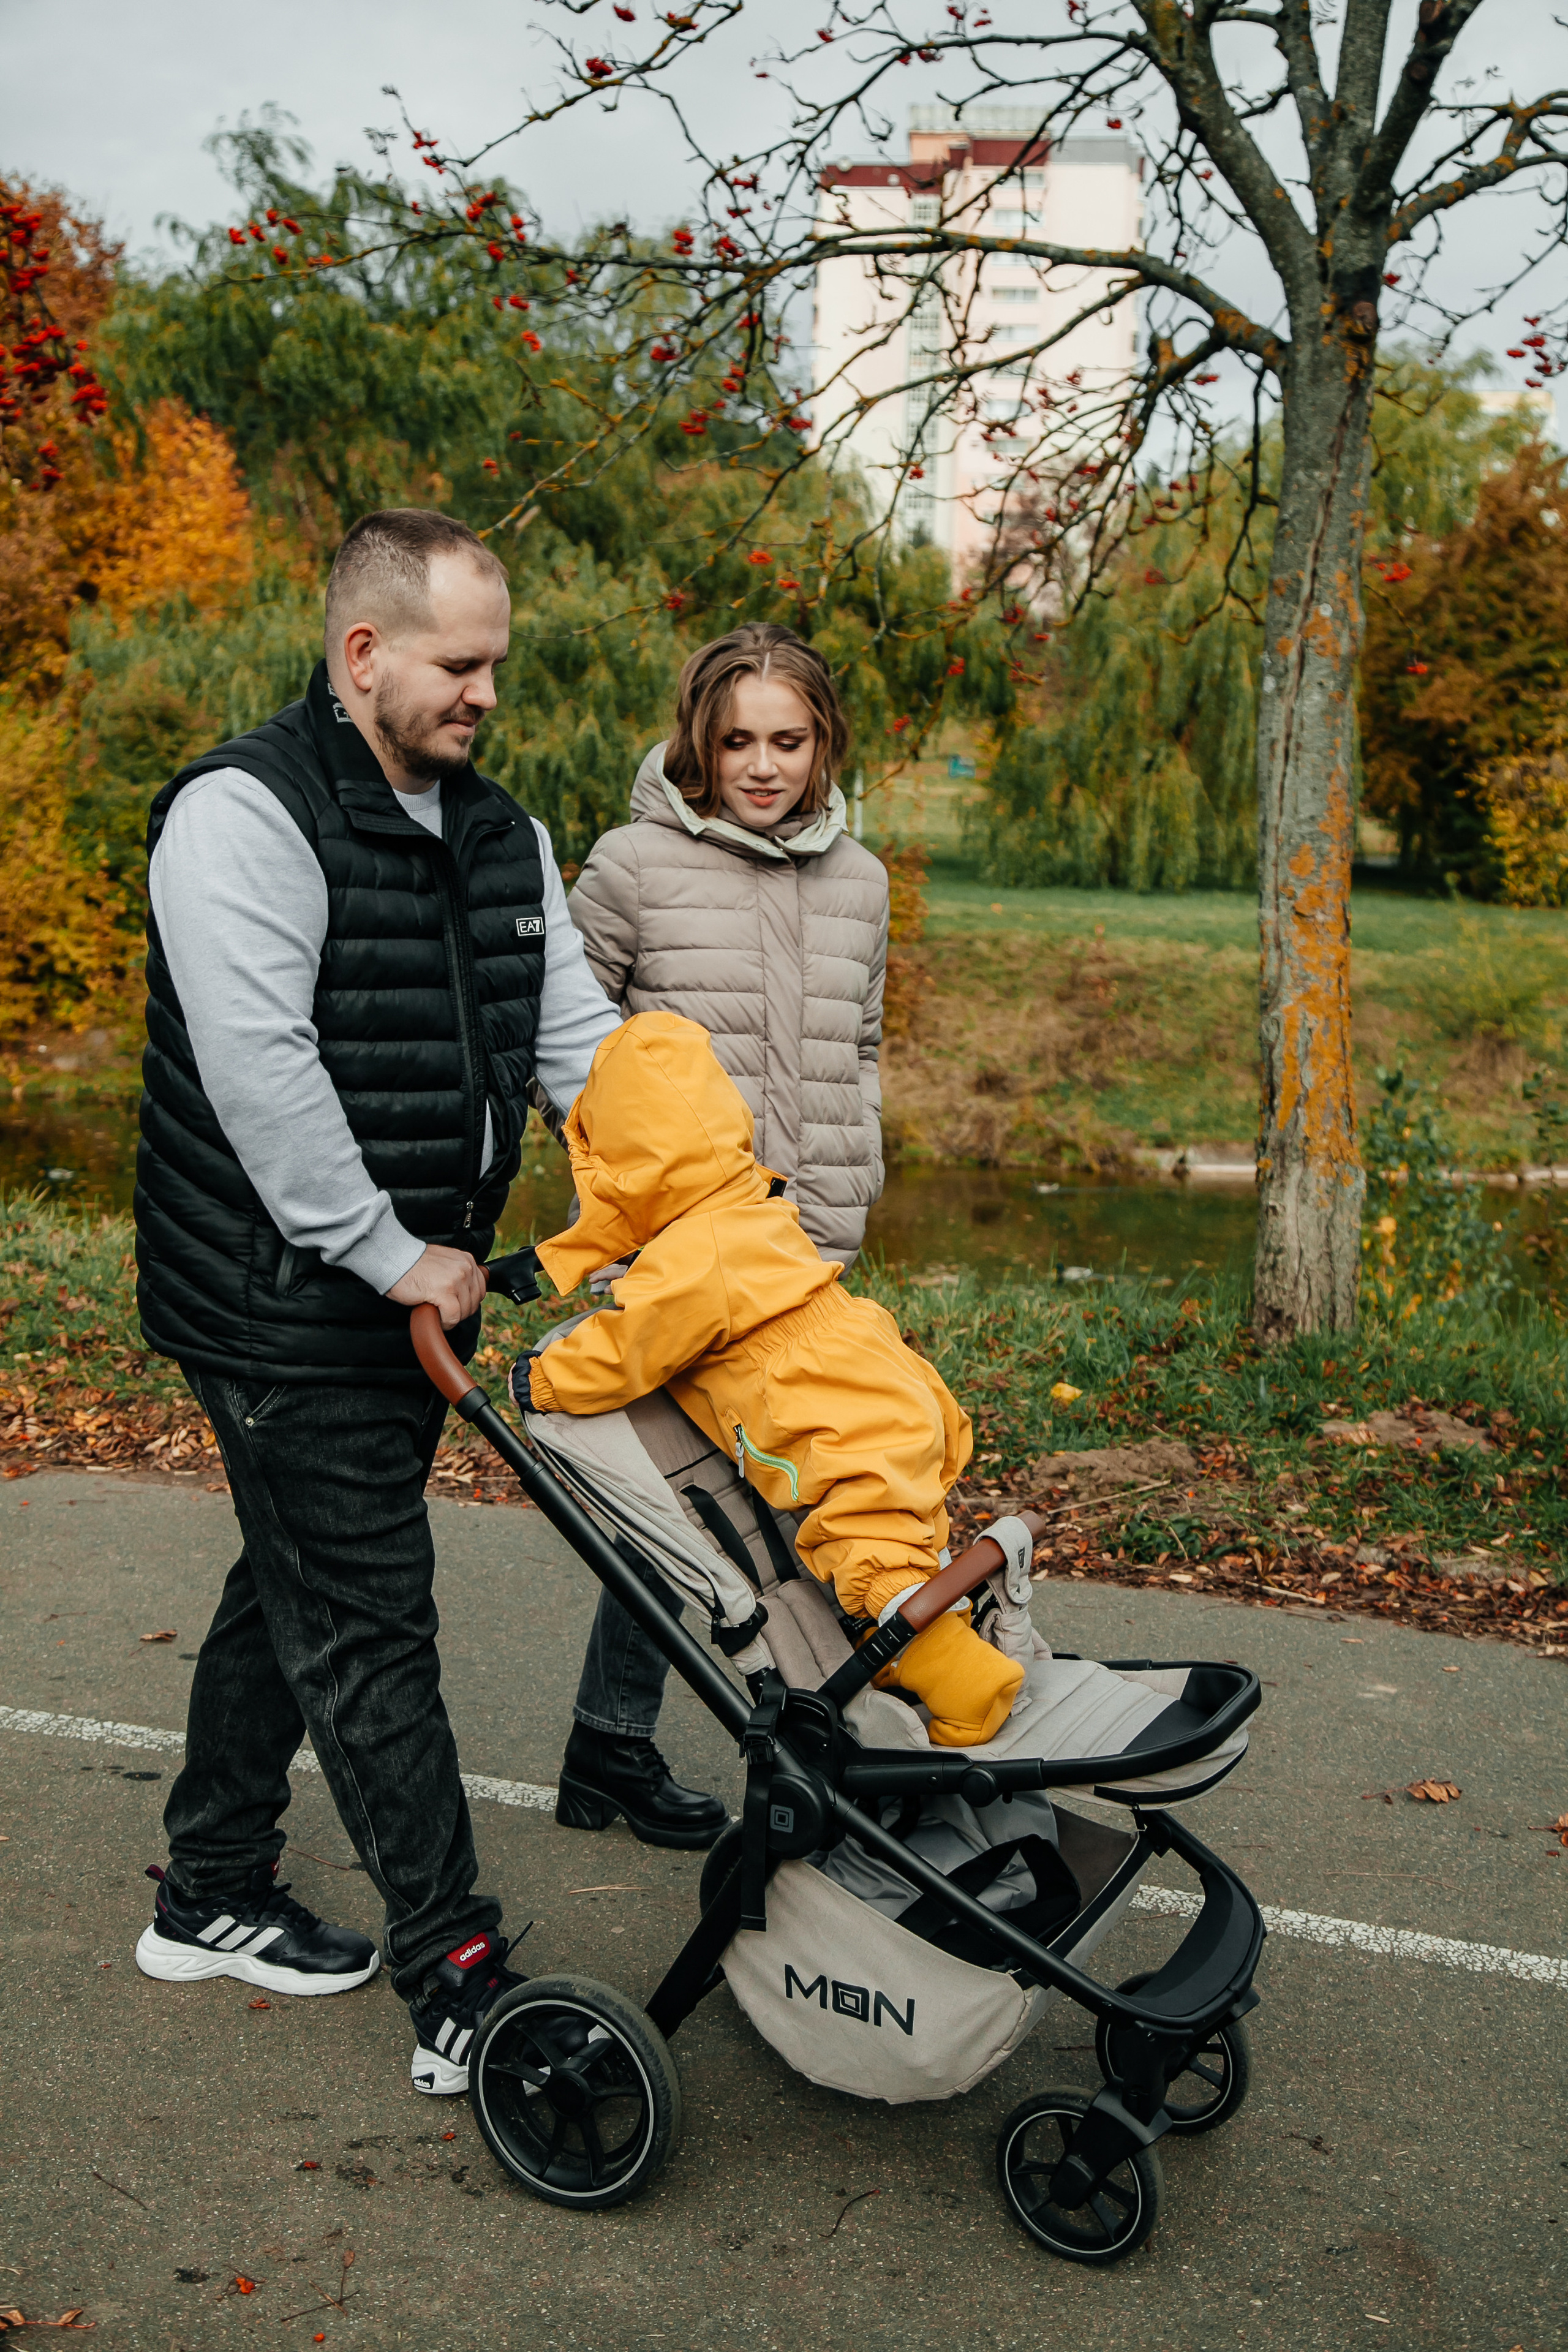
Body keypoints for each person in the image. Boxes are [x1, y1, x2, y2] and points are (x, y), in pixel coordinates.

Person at [131, 508, 628, 2097]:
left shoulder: (500, 836)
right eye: (458, 663)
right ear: (363, 654)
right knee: (368, 1625)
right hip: (286, 1298)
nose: (487, 692)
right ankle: (463, 1986)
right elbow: (263, 1072)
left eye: (498, 664)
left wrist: (679, 1184)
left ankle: (206, 1891)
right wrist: (384, 1246)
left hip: (423, 1294)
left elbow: (578, 1040)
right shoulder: (242, 815)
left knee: (297, 1581)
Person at [551, 626, 894, 1834]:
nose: (762, 765)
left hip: (810, 1247)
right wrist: (631, 1199)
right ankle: (669, 1751)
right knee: (688, 1507)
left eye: (787, 741)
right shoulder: (632, 865)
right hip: (688, 1253)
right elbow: (569, 1055)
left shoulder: (860, 880)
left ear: (823, 744)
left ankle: (651, 1753)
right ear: (699, 739)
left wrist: (858, 1169)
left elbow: (858, 1047)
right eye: (737, 739)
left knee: (807, 1502)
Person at [518, 1012, 1025, 1746]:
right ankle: (909, 1649)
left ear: (627, 1165)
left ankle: (967, 1684)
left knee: (869, 1553)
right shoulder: (751, 1205)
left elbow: (631, 1346)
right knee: (901, 1529)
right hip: (877, 1371)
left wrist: (545, 1382)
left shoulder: (694, 1257)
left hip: (827, 1407)